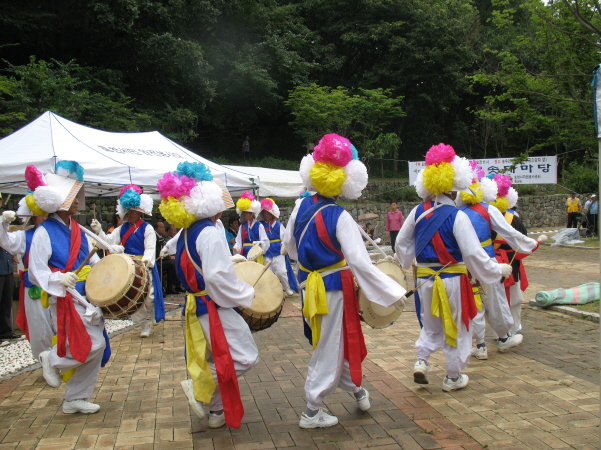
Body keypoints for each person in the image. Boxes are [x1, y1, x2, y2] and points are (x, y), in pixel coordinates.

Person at [283, 133, 407, 428]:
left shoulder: (301, 207)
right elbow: (361, 264)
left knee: (331, 342)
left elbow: (289, 246)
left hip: (308, 286)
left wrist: (310, 263)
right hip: (334, 287)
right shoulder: (339, 216)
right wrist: (392, 292)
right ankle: (312, 409)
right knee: (330, 345)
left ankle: (357, 389)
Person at [395, 144, 512, 392]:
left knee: (431, 323)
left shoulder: (416, 212)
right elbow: (473, 254)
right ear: (453, 187)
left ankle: (422, 360)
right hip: (453, 280)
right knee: (457, 326)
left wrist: (407, 262)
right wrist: (496, 270)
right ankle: (452, 376)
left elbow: (401, 243)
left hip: (425, 280)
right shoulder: (458, 216)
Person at [156, 161, 258, 429]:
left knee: (215, 356)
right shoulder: (211, 232)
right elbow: (216, 277)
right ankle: (199, 383)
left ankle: (216, 411)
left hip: (196, 305)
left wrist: (229, 259)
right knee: (245, 356)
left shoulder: (188, 231)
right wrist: (246, 293)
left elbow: (190, 259)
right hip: (213, 305)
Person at [27, 161, 110, 414]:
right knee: (93, 344)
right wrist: (58, 279)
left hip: (87, 294)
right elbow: (35, 269)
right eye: (73, 196)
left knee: (98, 345)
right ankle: (51, 359)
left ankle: (75, 397)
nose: (78, 201)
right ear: (60, 200)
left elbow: (92, 258)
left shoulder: (78, 227)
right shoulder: (44, 231)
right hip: (66, 294)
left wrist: (106, 270)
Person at [456, 169, 544, 360]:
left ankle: (479, 345)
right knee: (495, 300)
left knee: (474, 302)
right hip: (487, 261)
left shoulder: (457, 213)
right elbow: (510, 233)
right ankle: (503, 338)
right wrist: (531, 244)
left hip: (463, 264)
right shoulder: (488, 209)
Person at [91, 185, 165, 338]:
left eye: (133, 211)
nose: (130, 214)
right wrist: (99, 231)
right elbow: (108, 243)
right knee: (133, 298)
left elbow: (150, 247)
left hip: (144, 265)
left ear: (139, 212)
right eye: (128, 211)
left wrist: (145, 260)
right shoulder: (121, 229)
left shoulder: (147, 228)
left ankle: (153, 314)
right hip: (127, 267)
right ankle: (144, 325)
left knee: (150, 297)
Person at [0, 189, 50, 356]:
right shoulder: (24, 236)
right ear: (32, 215)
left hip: (57, 285)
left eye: (47, 214)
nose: (45, 217)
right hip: (34, 287)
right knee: (39, 327)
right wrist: (3, 223)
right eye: (40, 214)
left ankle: (61, 357)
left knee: (57, 323)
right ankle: (44, 359)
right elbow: (5, 241)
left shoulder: (57, 234)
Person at [258, 198, 298, 296]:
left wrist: (283, 245)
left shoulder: (278, 225)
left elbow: (284, 238)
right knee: (269, 272)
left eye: (268, 213)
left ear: (272, 214)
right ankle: (271, 290)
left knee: (281, 272)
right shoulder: (261, 225)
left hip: (278, 251)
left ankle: (286, 287)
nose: (266, 215)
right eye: (264, 213)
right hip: (266, 251)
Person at [233, 192, 269, 259]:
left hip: (255, 253)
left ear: (252, 213)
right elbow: (238, 241)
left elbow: (265, 241)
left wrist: (260, 243)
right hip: (245, 254)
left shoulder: (259, 225)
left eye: (247, 212)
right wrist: (236, 247)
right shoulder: (242, 226)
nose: (245, 214)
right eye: (244, 212)